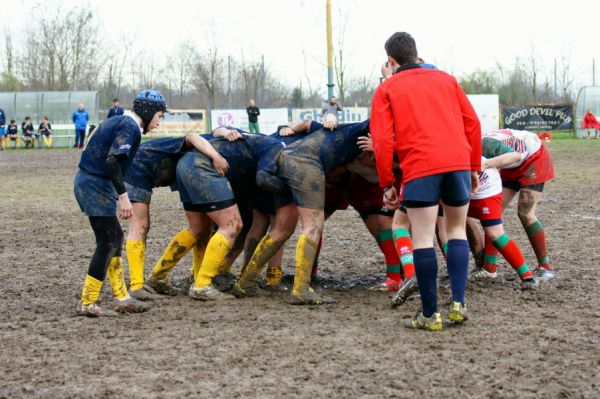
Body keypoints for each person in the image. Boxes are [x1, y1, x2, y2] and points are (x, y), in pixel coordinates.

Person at [370, 32, 481, 331]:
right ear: (416, 54)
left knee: (422, 238)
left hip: (421, 167)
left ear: (391, 61)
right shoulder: (447, 79)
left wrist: (386, 183)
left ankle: (430, 315)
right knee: (456, 230)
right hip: (458, 163)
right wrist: (472, 165)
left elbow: (380, 140)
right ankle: (459, 304)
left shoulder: (387, 88)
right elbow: (472, 123)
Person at [74, 89, 167, 317]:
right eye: (160, 116)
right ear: (148, 112)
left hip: (91, 182)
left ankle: (122, 298)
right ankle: (87, 302)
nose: (159, 122)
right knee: (107, 241)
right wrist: (123, 196)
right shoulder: (131, 127)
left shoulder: (120, 120)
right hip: (95, 184)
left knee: (115, 237)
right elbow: (113, 160)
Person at [123, 133, 229, 300]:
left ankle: (166, 277)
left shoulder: (207, 145)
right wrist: (217, 156)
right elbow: (192, 136)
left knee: (201, 227)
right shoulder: (202, 142)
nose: (158, 122)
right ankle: (137, 286)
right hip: (136, 171)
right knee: (140, 226)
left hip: (158, 173)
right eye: (159, 116)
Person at [481, 129, 556, 280]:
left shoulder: (485, 144)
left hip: (533, 157)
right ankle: (489, 268)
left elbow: (513, 156)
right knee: (493, 213)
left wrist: (485, 164)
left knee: (525, 213)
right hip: (511, 163)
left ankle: (545, 266)